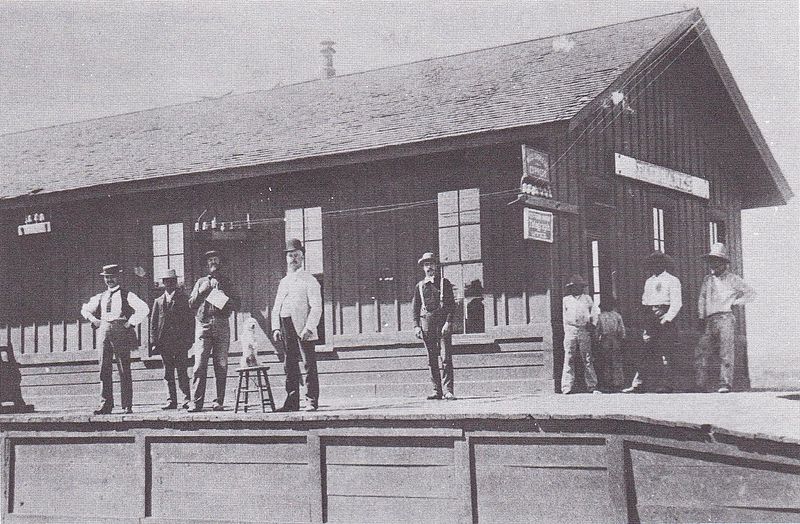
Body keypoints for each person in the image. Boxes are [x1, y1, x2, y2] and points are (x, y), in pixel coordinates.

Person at [81, 264, 149, 414]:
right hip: (104, 330)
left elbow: (144, 308)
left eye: (112, 277)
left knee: (123, 368)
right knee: (104, 368)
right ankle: (106, 404)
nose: (109, 280)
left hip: (120, 330)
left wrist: (130, 323)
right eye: (107, 277)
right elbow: (84, 309)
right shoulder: (101, 296)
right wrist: (94, 320)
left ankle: (126, 405)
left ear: (118, 277)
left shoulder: (126, 294)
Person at [695, 242, 756, 393]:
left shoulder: (733, 279)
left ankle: (725, 383)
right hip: (709, 319)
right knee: (702, 350)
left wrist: (736, 302)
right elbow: (702, 299)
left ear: (723, 263)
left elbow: (751, 293)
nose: (713, 264)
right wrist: (701, 317)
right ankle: (700, 383)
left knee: (726, 351)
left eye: (716, 261)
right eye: (711, 261)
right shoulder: (707, 280)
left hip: (725, 318)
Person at [271, 238, 323, 412]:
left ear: (302, 257)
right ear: (286, 258)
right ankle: (292, 401)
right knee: (289, 364)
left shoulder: (309, 280)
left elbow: (316, 307)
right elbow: (276, 306)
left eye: (296, 255)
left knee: (308, 364)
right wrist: (276, 327)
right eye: (290, 255)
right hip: (285, 326)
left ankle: (311, 400)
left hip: (303, 327)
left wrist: (309, 327)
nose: (293, 258)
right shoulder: (284, 282)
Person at [187, 250, 240, 412]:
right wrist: (202, 291)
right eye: (210, 259)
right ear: (206, 263)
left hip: (222, 324)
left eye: (216, 259)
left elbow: (237, 304)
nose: (213, 262)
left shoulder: (227, 282)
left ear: (220, 262)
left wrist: (226, 298)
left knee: (221, 364)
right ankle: (196, 402)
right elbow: (191, 304)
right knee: (199, 364)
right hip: (203, 325)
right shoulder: (201, 282)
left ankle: (219, 401)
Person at [623, 251, 682, 393]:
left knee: (665, 351)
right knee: (646, 350)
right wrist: (646, 318)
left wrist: (667, 318)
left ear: (663, 264)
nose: (654, 267)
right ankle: (639, 383)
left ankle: (667, 384)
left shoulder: (672, 280)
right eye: (652, 265)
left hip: (666, 315)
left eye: (657, 263)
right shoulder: (649, 281)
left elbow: (677, 303)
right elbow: (645, 301)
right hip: (651, 317)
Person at [412, 252, 457, 400]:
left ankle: (448, 390)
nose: (429, 267)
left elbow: (451, 305)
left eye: (431, 264)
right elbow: (415, 307)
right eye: (426, 265)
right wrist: (416, 326)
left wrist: (448, 322)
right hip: (426, 324)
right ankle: (436, 390)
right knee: (431, 359)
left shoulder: (444, 283)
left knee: (445, 357)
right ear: (423, 268)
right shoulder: (420, 286)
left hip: (442, 323)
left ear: (436, 266)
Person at [150, 268, 194, 410]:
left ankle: (186, 399)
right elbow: (153, 323)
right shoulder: (158, 301)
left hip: (180, 342)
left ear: (176, 283)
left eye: (172, 281)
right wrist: (154, 342)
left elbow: (190, 322)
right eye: (166, 281)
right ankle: (171, 400)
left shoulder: (184, 299)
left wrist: (189, 341)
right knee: (168, 373)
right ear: (163, 283)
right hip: (164, 343)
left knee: (182, 371)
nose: (169, 284)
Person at [560, 274, 600, 395]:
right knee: (569, 357)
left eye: (579, 286)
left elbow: (594, 313)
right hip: (571, 330)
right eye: (574, 286)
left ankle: (592, 385)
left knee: (587, 358)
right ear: (571, 288)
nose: (577, 289)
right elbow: (564, 318)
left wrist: (592, 325)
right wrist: (567, 331)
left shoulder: (587, 299)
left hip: (584, 329)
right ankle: (566, 386)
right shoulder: (566, 300)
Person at [594, 296, 626, 392]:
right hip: (615, 339)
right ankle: (617, 383)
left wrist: (596, 340)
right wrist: (622, 339)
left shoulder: (601, 316)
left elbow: (597, 330)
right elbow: (621, 329)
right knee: (615, 361)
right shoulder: (617, 316)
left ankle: (608, 383)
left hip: (606, 340)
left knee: (607, 362)